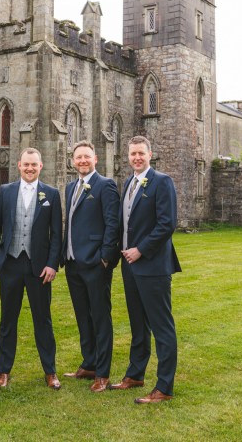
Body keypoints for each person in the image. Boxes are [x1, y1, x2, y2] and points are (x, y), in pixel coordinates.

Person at [110, 135, 181, 403]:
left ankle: (164, 387)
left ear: (150, 154)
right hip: (130, 267)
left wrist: (140, 249)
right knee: (138, 325)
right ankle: (136, 374)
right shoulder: (129, 182)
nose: (136, 158)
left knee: (162, 326)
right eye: (132, 154)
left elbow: (167, 223)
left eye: (141, 153)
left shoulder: (162, 182)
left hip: (152, 266)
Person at [0, 147, 62, 390]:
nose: (30, 168)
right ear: (18, 165)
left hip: (39, 268)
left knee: (43, 320)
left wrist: (52, 264)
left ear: (41, 167)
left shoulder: (51, 194)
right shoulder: (6, 192)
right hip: (10, 264)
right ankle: (3, 371)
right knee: (8, 320)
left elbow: (56, 235)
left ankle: (50, 371)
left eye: (34, 165)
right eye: (26, 164)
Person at [62, 140, 120, 392]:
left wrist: (106, 258)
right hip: (73, 263)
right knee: (82, 315)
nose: (83, 161)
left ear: (95, 159)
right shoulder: (70, 187)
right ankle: (89, 363)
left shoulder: (105, 185)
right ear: (73, 161)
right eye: (79, 158)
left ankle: (103, 373)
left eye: (87, 157)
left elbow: (112, 224)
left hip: (96, 263)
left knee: (100, 316)